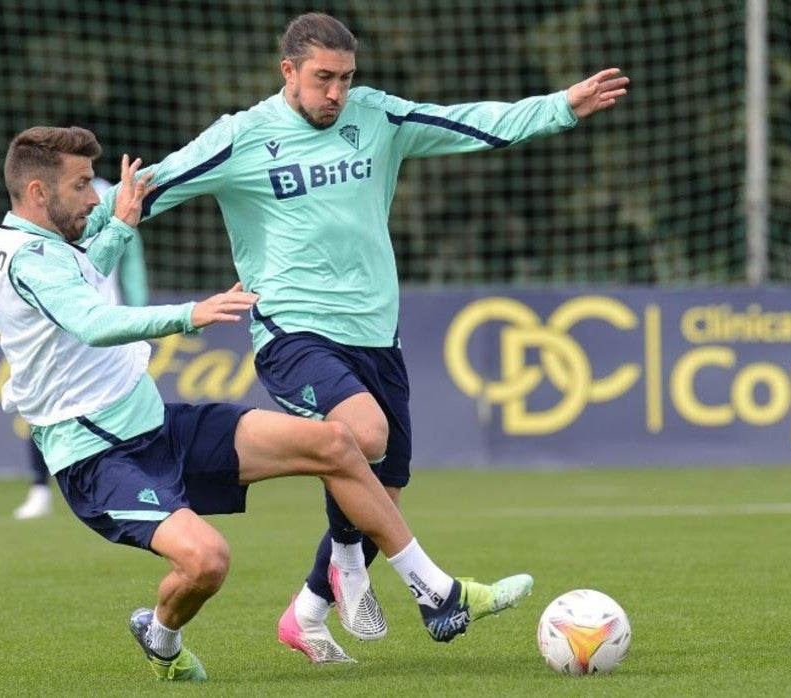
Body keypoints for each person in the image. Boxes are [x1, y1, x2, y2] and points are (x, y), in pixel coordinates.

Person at [80, 12, 629, 662]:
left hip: (376, 332)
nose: (336, 93)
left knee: (382, 491)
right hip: (293, 329)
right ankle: (429, 589)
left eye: (345, 78)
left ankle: (308, 611)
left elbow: (472, 124)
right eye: (322, 79)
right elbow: (147, 189)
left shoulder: (377, 119)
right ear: (288, 72)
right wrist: (70, 230)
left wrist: (560, 106)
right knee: (361, 437)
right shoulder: (243, 138)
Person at [0, 125, 533, 681]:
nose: (94, 197)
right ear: (37, 192)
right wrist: (188, 314)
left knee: (337, 443)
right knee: (207, 562)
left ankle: (434, 590)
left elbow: (86, 273)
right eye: (81, 186)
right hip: (100, 458)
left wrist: (122, 225)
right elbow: (93, 322)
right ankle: (161, 635)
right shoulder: (29, 261)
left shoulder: (39, 246)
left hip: (159, 425)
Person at [12, 175, 149, 521]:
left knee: (128, 401)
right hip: (59, 317)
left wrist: (137, 312)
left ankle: (142, 486)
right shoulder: (43, 199)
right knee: (45, 402)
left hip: (106, 318)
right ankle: (40, 488)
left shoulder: (109, 193)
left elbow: (131, 259)